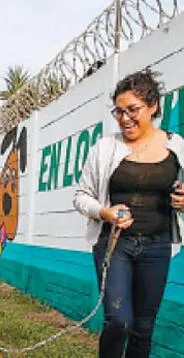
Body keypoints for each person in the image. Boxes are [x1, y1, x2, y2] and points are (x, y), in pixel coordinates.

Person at [74, 69, 184, 358]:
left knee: (144, 327)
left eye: (133, 110)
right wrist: (105, 212)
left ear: (153, 107)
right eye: (118, 112)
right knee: (119, 321)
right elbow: (80, 196)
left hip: (157, 246)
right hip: (114, 244)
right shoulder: (105, 148)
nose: (125, 119)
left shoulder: (177, 147)